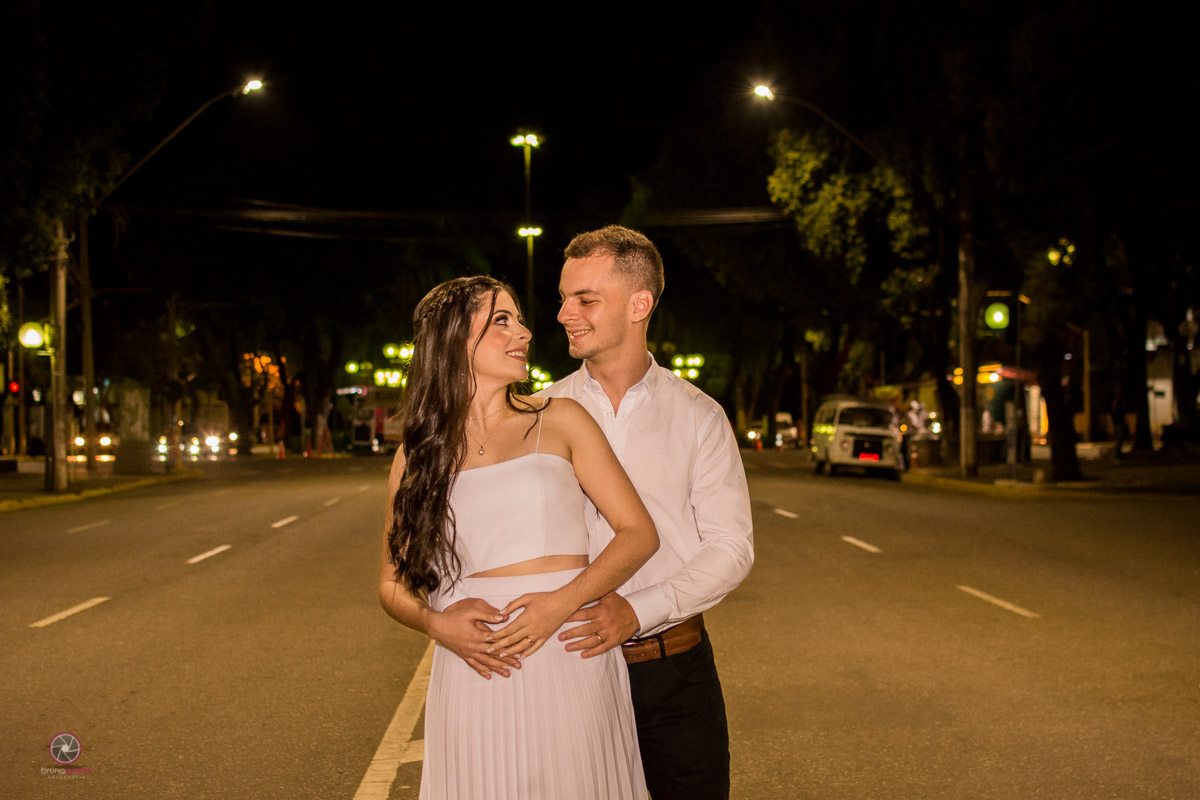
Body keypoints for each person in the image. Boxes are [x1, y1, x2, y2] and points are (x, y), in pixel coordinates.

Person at [379, 275, 659, 800]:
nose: (525, 332)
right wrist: (438, 625)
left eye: (520, 318)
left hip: (568, 653)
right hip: (476, 666)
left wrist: (561, 604)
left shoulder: (562, 419)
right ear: (452, 339)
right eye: (501, 320)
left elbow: (638, 534)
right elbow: (392, 585)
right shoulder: (417, 455)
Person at [537, 225, 754, 800]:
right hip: (569, 668)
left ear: (640, 305)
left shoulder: (699, 416)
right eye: (563, 297)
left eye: (585, 299)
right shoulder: (539, 413)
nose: (563, 313)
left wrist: (637, 610)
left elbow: (730, 549)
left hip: (675, 673)